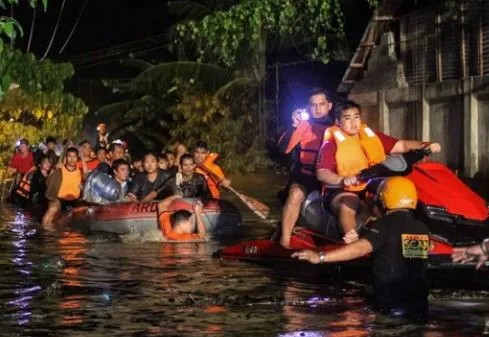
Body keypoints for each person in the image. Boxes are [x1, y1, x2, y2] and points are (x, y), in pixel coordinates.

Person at [292, 177, 430, 317]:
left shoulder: (384, 225)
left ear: (384, 199)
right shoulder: (422, 228)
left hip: (389, 304)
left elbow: (360, 249)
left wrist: (320, 257)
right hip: (419, 304)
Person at [316, 100, 441, 243]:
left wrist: (425, 145)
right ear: (338, 121)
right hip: (340, 189)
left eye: (356, 117)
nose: (354, 122)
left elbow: (400, 145)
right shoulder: (330, 144)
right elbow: (322, 172)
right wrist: (342, 180)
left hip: (368, 184)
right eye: (348, 118)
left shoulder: (371, 137)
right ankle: (351, 237)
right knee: (350, 200)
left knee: (398, 188)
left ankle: (412, 232)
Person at [278, 88, 334, 248]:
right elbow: (283, 149)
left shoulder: (338, 126)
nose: (317, 109)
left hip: (330, 176)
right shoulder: (302, 126)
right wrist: (293, 127)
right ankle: (285, 241)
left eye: (321, 104)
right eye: (313, 105)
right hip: (305, 175)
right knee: (295, 195)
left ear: (329, 105)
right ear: (308, 108)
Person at [42, 147, 83, 228]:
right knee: (53, 208)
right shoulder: (59, 169)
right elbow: (47, 183)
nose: (72, 159)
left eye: (74, 156)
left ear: (77, 158)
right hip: (59, 199)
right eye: (69, 156)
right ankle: (45, 232)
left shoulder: (80, 171)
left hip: (74, 200)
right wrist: (54, 169)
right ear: (65, 158)